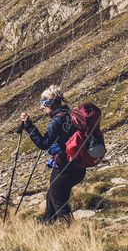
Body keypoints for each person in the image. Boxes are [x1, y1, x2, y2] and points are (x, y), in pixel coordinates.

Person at [19, 85, 85, 223]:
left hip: (65, 165)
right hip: (77, 163)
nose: (41, 108)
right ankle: (47, 223)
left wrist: (29, 126)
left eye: (43, 105)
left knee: (57, 198)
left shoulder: (57, 120)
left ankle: (71, 231)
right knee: (52, 194)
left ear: (50, 104)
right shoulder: (70, 114)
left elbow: (44, 143)